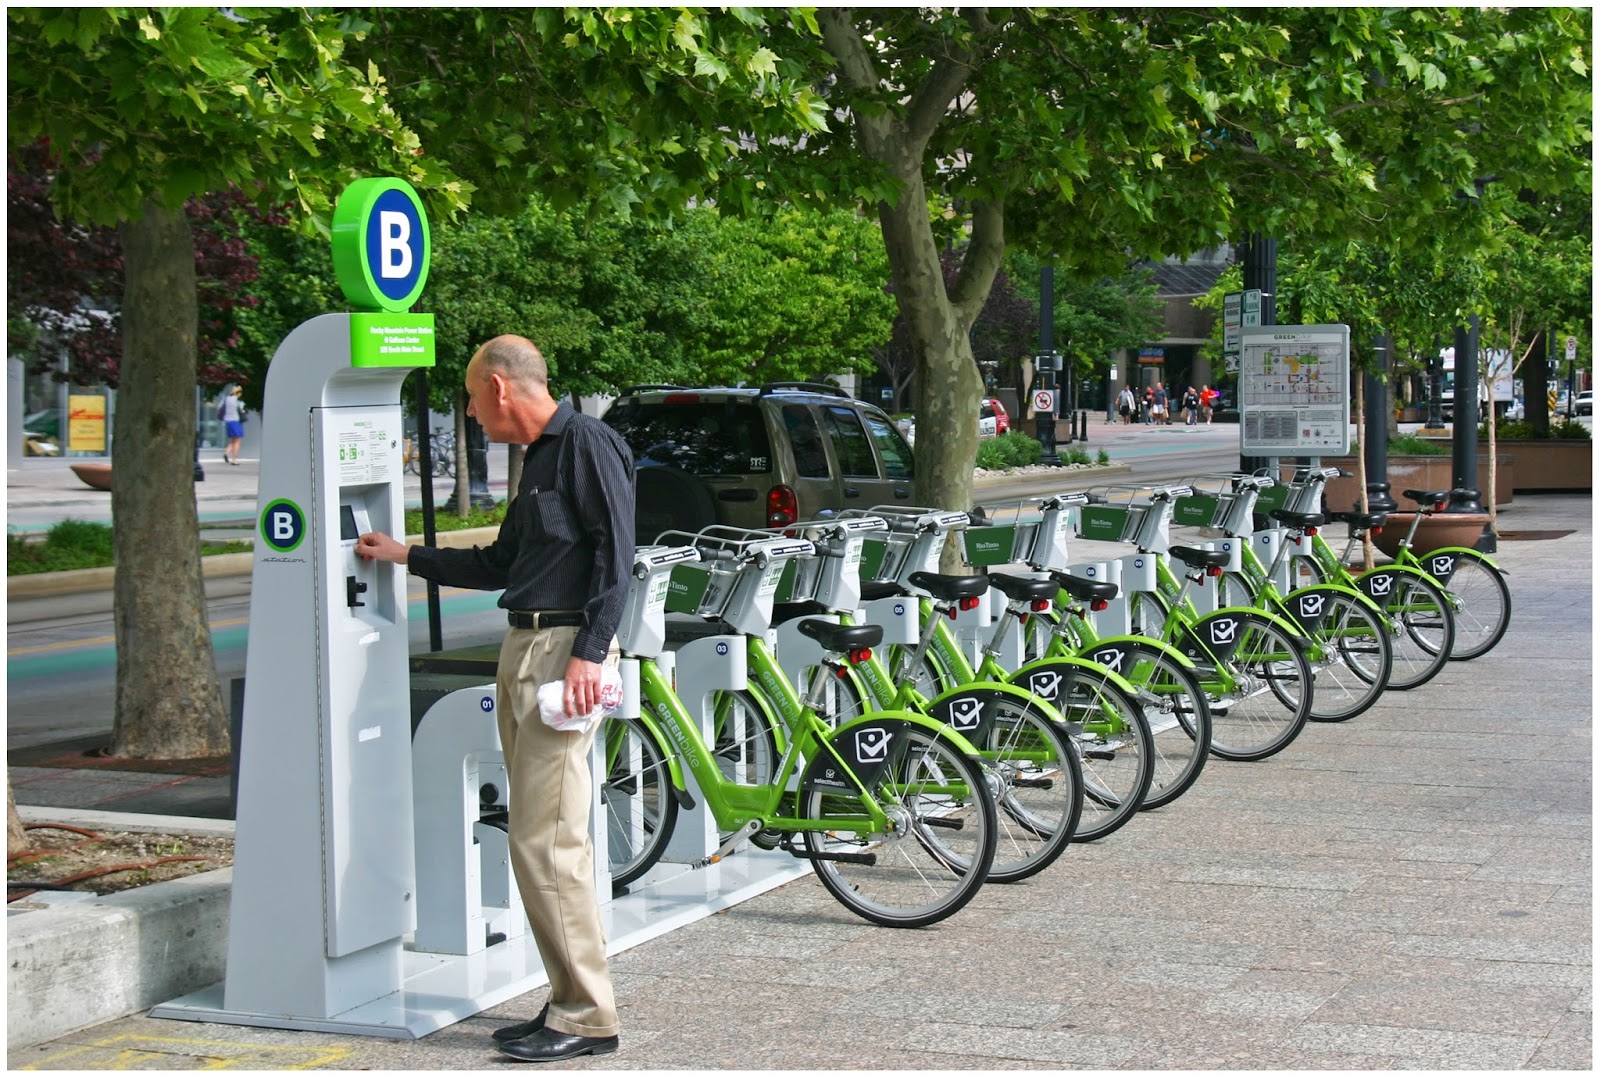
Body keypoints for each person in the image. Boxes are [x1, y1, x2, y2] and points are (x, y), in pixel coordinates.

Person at [356, 335, 633, 1064]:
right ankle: (569, 995)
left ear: (501, 388)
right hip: (530, 649)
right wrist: (406, 556)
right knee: (540, 837)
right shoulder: (541, 458)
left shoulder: (586, 443)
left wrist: (589, 654)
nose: (474, 416)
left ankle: (586, 1014)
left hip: (561, 653)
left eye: (474, 401)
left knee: (548, 841)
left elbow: (617, 555)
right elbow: (503, 563)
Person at [219, 386, 246, 464]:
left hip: (228, 421)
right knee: (237, 441)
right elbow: (243, 410)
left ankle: (226, 453)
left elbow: (219, 407)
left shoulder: (226, 399)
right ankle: (234, 459)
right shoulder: (237, 401)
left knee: (234, 440)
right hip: (236, 421)